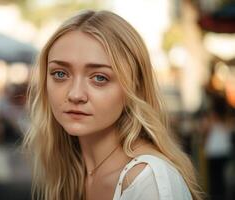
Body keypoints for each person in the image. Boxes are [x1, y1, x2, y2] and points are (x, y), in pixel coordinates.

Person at [23, 10, 202, 200]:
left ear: (135, 87)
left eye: (99, 78)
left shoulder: (148, 182)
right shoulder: (71, 171)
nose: (75, 94)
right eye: (60, 74)